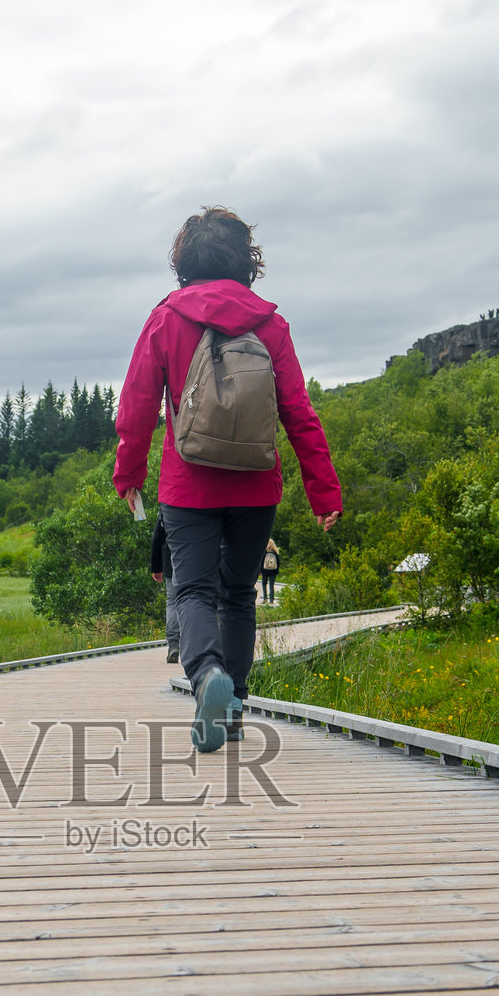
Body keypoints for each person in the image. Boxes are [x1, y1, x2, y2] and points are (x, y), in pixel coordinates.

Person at [114, 206, 341, 752]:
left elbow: (138, 405)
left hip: (188, 485)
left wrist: (130, 472)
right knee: (238, 596)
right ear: (247, 261)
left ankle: (207, 675)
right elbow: (298, 412)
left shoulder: (166, 318)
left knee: (192, 588)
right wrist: (323, 490)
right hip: (256, 483)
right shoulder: (271, 323)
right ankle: (233, 706)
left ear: (183, 260)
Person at [150, 514, 180, 662]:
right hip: (194, 562)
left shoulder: (167, 508)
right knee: (196, 598)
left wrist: (156, 568)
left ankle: (174, 644)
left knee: (173, 601)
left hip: (170, 560)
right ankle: (194, 643)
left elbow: (156, 539)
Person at [261, 537, 280, 604]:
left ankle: (265, 598)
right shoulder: (275, 553)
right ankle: (271, 600)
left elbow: (261, 562)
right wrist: (277, 571)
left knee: (264, 584)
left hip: (265, 571)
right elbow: (278, 563)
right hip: (273, 571)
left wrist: (260, 571)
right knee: (271, 585)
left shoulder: (264, 552)